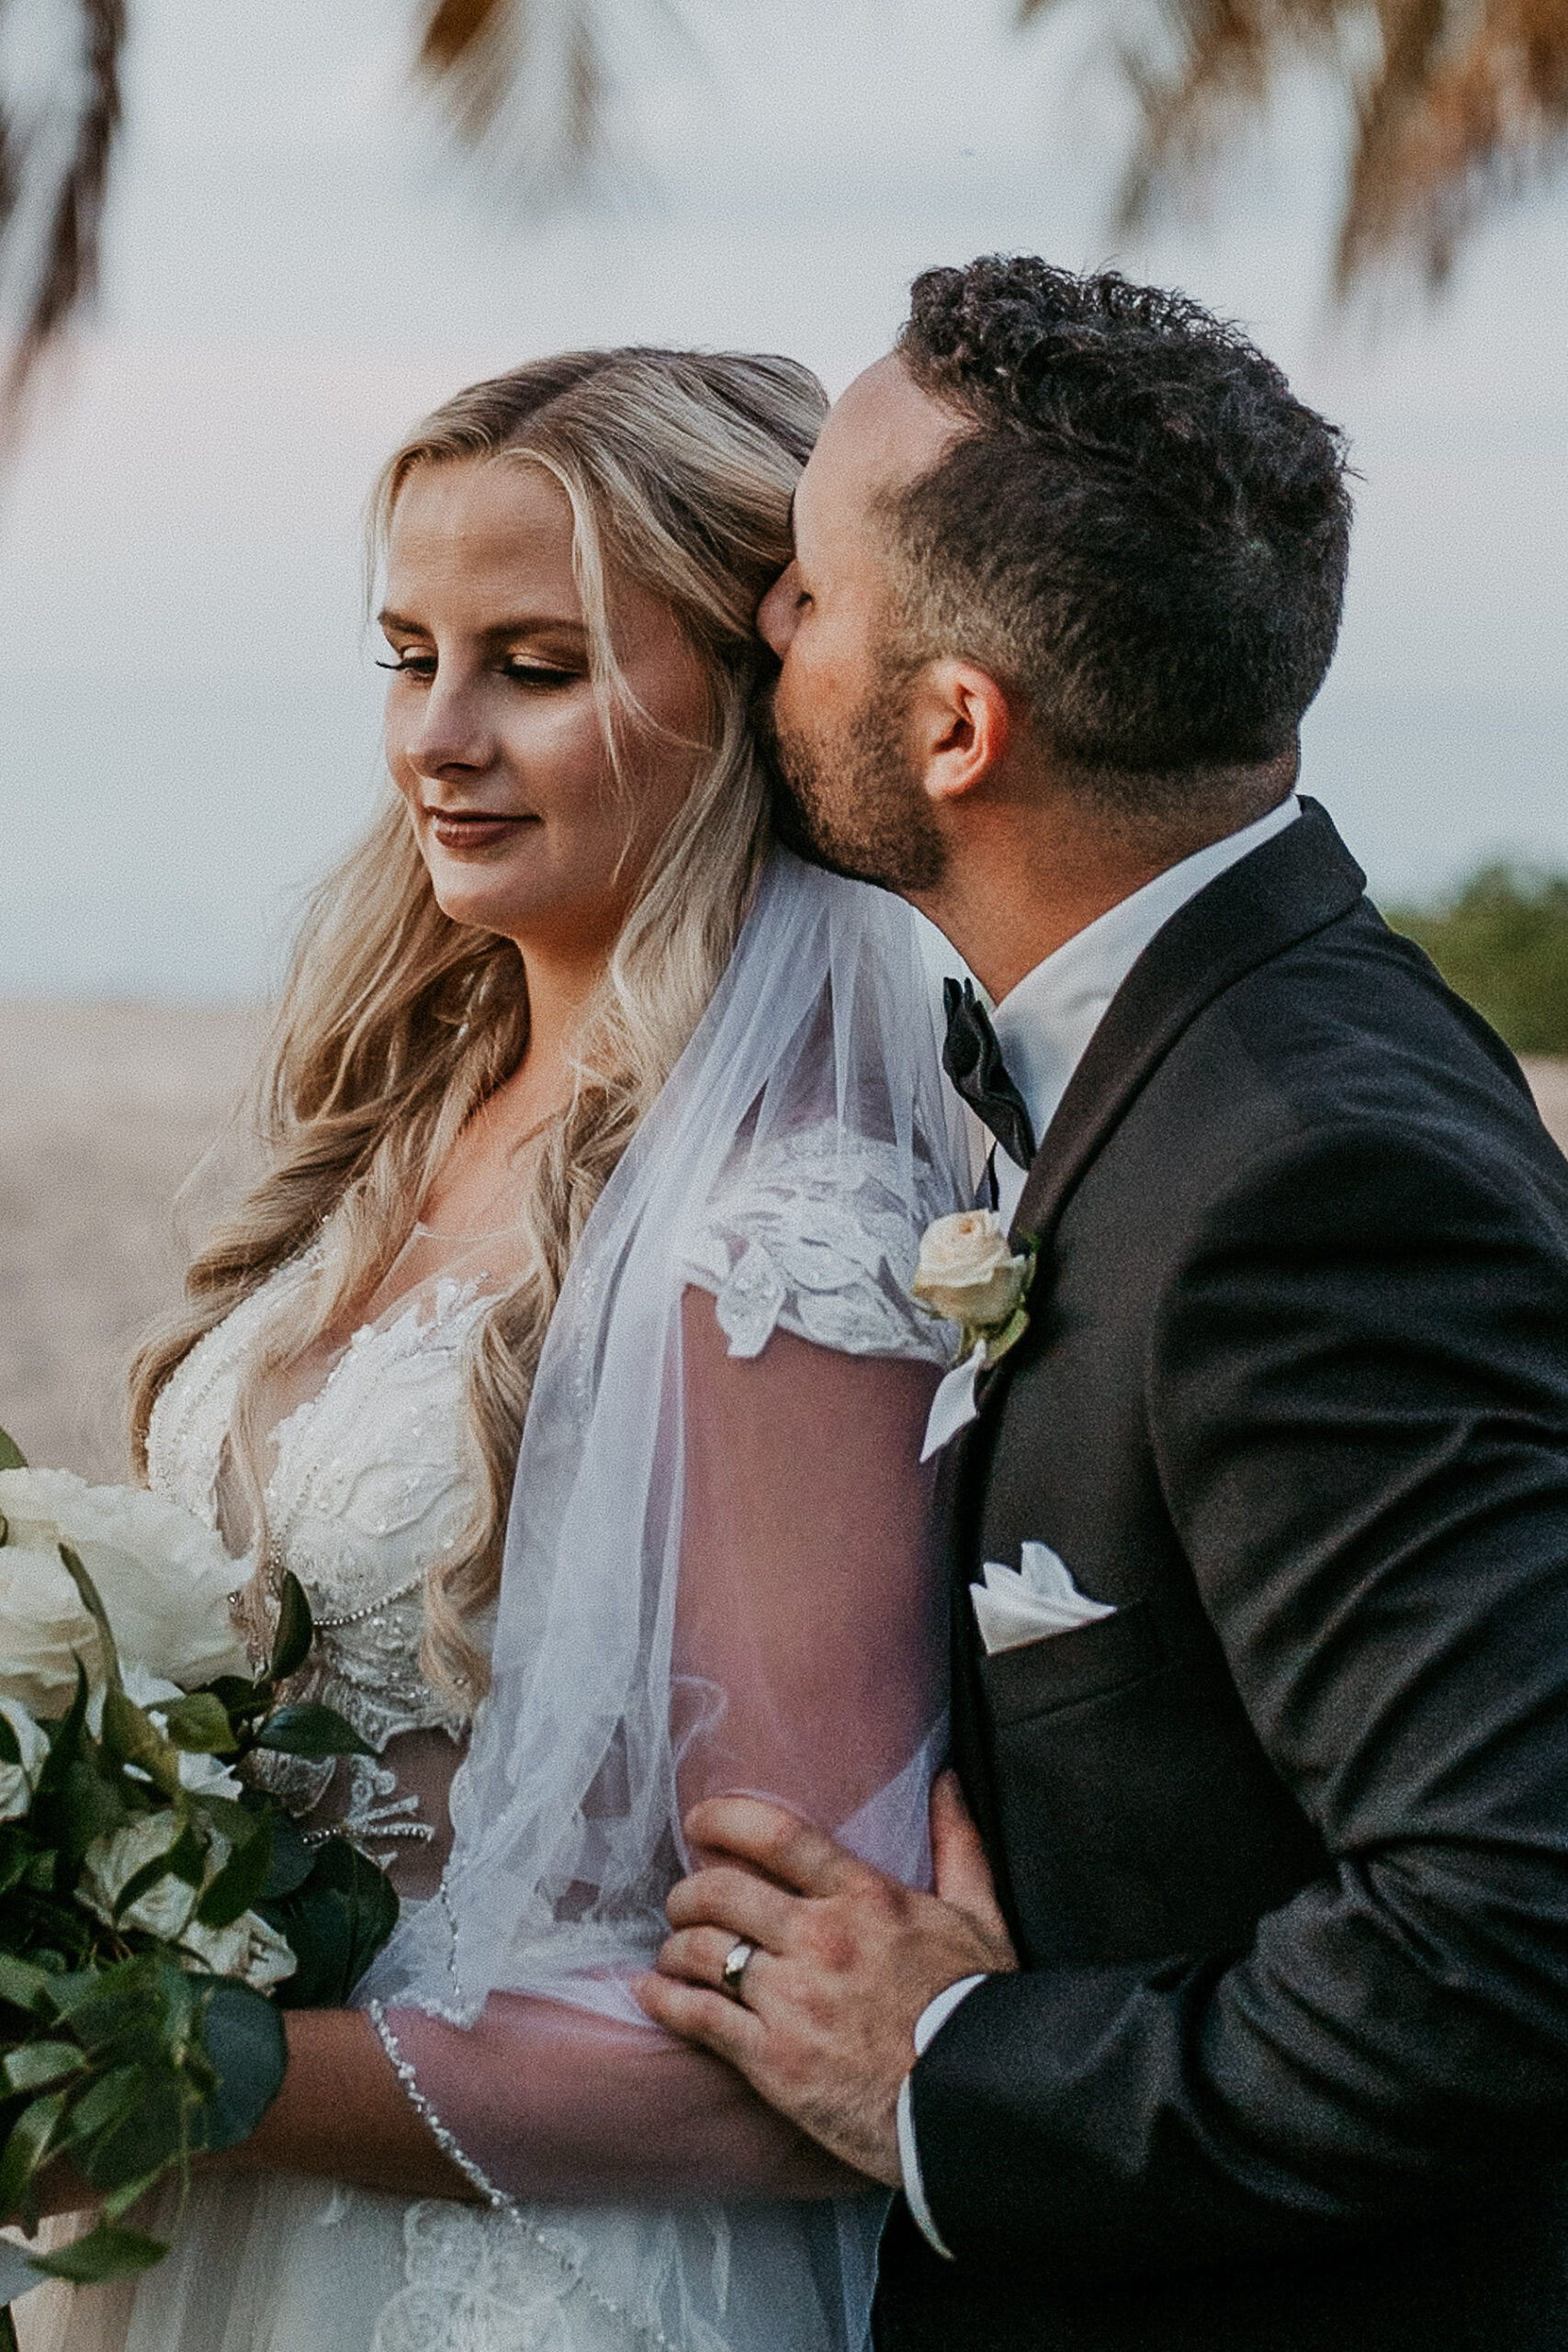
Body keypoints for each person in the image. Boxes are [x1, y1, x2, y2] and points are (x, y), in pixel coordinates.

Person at [640, 256, 1568, 2350]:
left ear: (955, 724)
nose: (760, 630)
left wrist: (957, 2074)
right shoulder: (1177, 1049)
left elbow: (1508, 1931)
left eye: (803, 593)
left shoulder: (1310, 1180)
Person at [20, 347, 969, 2352]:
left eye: (533, 664)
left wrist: (189, 2061)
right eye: (406, 653)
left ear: (751, 692)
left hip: (515, 2274)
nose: (434, 737)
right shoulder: (406, 1113)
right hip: (228, 2237)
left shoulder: (779, 1242)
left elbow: (792, 2068)